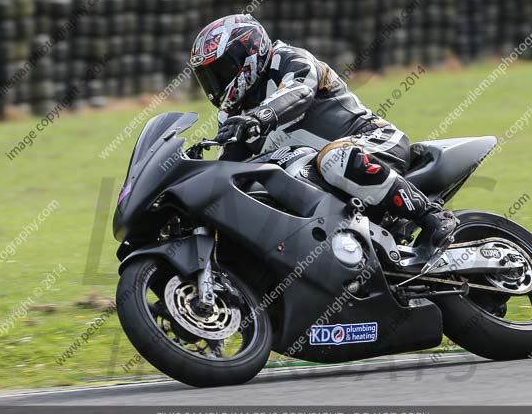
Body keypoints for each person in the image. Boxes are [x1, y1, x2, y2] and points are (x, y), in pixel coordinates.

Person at [190, 14, 458, 249]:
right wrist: (194, 177)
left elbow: (298, 93)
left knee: (334, 158)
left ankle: (432, 216)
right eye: (207, 76)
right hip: (323, 173)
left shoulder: (288, 59)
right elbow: (228, 170)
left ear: (248, 53)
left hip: (375, 141)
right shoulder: (233, 113)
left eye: (221, 70)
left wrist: (260, 117)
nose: (216, 83)